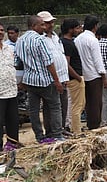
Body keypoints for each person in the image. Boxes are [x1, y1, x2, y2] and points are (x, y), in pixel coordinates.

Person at [16, 15, 65, 143]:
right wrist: (57, 80)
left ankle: (39, 136)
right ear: (34, 26)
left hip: (30, 81)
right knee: (55, 107)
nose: (44, 27)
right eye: (42, 25)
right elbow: (49, 62)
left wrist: (21, 80)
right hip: (45, 80)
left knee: (34, 110)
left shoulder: (20, 40)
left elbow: (18, 62)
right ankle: (57, 134)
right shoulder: (40, 40)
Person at [37, 11, 70, 135]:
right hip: (51, 78)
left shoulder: (56, 37)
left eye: (51, 22)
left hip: (62, 76)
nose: (50, 25)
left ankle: (61, 129)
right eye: (47, 23)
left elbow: (60, 56)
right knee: (51, 107)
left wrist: (65, 76)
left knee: (63, 105)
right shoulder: (40, 39)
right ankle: (51, 131)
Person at [74, 15, 107, 130]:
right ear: (95, 27)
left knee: (87, 102)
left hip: (82, 73)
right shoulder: (92, 40)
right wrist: (103, 76)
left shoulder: (78, 39)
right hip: (94, 74)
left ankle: (90, 123)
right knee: (96, 102)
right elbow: (97, 60)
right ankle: (94, 125)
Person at [60, 18, 85, 135]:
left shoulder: (66, 42)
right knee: (77, 106)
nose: (79, 30)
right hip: (74, 79)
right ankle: (77, 131)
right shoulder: (67, 43)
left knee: (79, 104)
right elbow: (66, 64)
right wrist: (78, 77)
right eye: (77, 28)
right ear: (70, 29)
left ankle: (74, 127)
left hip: (75, 77)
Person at [0, 23, 19, 150]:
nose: (0, 32)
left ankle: (12, 145)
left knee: (13, 121)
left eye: (1, 30)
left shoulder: (9, 48)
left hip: (12, 91)